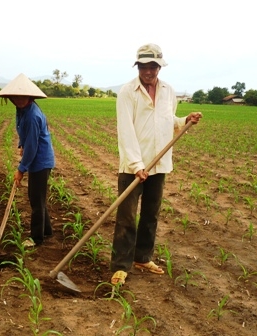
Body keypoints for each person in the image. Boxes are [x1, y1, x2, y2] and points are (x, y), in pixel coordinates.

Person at [110, 44, 202, 285]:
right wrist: (136, 164)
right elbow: (126, 131)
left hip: (159, 164)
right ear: (138, 66)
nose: (148, 71)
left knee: (151, 214)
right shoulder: (127, 92)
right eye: (144, 66)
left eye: (153, 66)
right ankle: (121, 265)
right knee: (127, 216)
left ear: (159, 67)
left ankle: (142, 257)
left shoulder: (169, 91)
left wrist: (185, 121)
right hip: (133, 166)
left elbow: (167, 120)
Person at [0, 73, 55, 247]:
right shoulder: (21, 110)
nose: (19, 99)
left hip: (41, 161)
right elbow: (25, 137)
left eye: (22, 96)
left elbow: (32, 147)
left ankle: (36, 238)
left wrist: (21, 169)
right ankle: (47, 231)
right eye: (15, 96)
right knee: (38, 198)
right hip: (37, 159)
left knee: (36, 200)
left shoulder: (32, 115)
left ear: (29, 96)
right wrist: (21, 144)